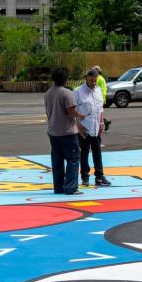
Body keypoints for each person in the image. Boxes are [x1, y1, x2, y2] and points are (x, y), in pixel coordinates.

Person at [44, 67, 85, 195]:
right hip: (67, 132)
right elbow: (71, 112)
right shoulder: (67, 93)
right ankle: (71, 187)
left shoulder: (48, 93)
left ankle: (59, 187)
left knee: (57, 160)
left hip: (53, 131)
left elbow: (48, 112)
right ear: (66, 79)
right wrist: (80, 116)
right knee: (73, 159)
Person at [75, 68, 110, 187]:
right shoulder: (78, 92)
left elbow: (100, 109)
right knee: (84, 152)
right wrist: (78, 126)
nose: (93, 83)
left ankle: (99, 177)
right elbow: (72, 111)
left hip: (96, 126)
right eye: (91, 80)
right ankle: (85, 176)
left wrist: (101, 122)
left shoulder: (98, 90)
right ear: (86, 78)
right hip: (84, 127)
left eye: (95, 80)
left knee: (97, 151)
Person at [94, 65, 111, 131]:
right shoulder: (101, 78)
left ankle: (103, 123)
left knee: (96, 113)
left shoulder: (98, 78)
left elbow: (95, 89)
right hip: (101, 98)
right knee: (98, 113)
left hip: (99, 98)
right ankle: (105, 122)